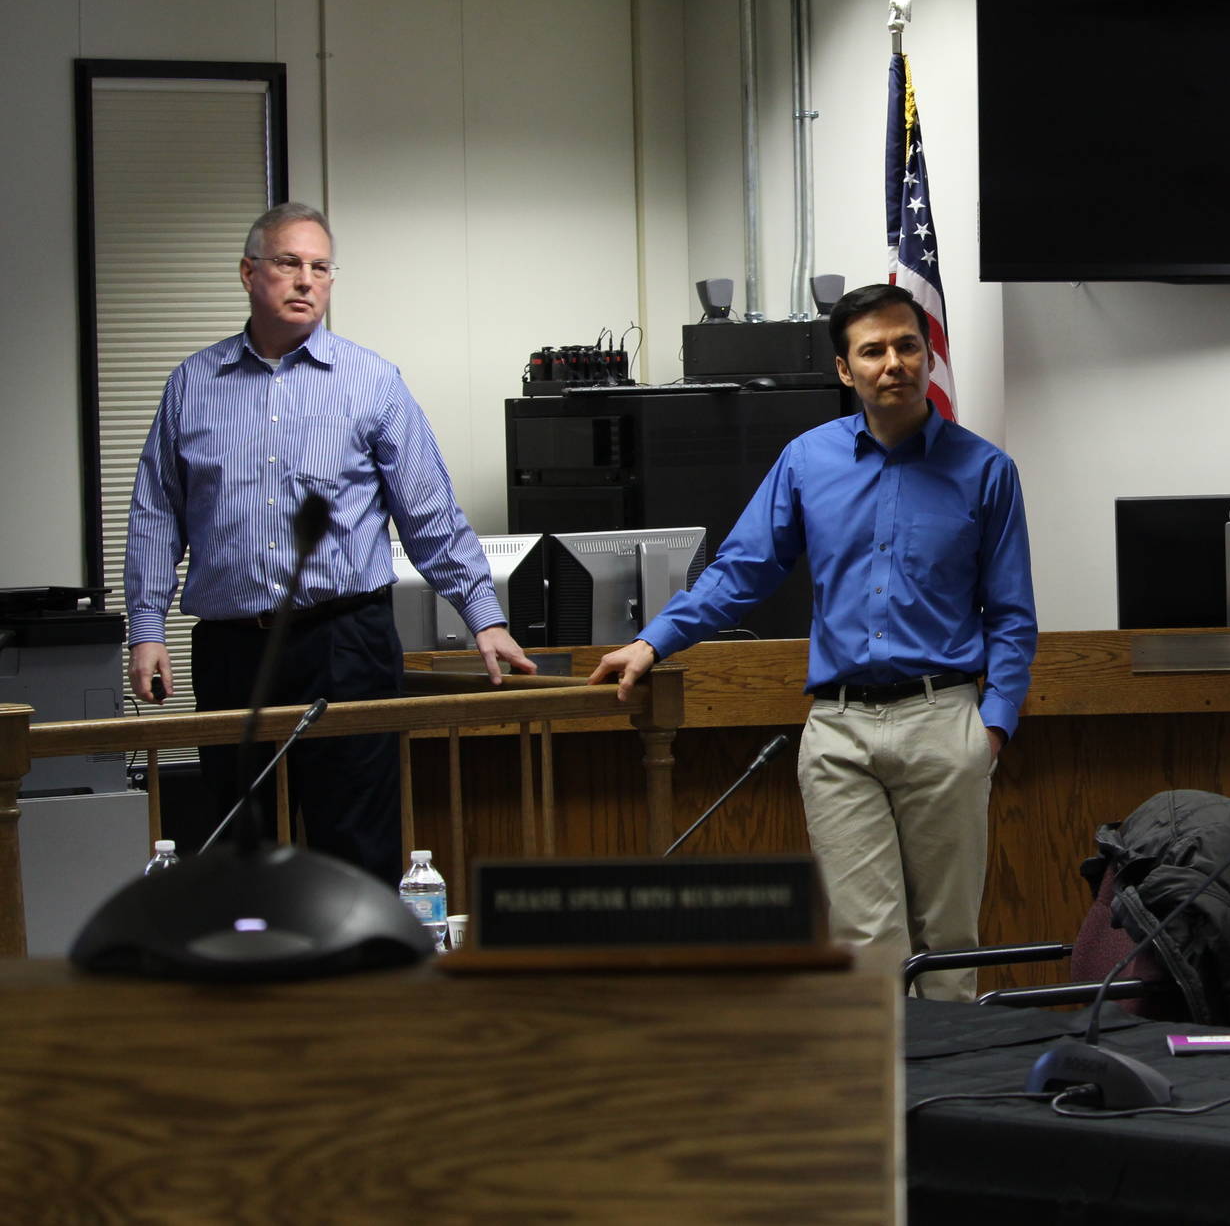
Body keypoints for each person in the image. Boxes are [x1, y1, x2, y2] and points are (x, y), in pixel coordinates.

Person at [589, 283, 1036, 999]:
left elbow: (1011, 615)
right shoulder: (806, 461)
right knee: (867, 944)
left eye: (908, 345)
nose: (894, 362)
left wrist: (993, 728)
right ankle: (880, 1106)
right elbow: (741, 571)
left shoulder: (986, 471)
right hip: (839, 731)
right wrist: (653, 642)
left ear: (927, 354)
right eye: (873, 350)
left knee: (949, 943)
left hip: (943, 722)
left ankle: (944, 1105)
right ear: (844, 369)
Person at [126, 202, 534, 883]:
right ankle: (255, 982)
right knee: (237, 840)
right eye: (288, 263)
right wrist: (146, 627)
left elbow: (428, 512)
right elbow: (155, 514)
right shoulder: (193, 385)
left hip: (346, 641)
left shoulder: (371, 381)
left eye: (320, 267)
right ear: (249, 272)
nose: (305, 280)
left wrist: (483, 615)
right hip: (233, 648)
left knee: (356, 841)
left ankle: (365, 986)